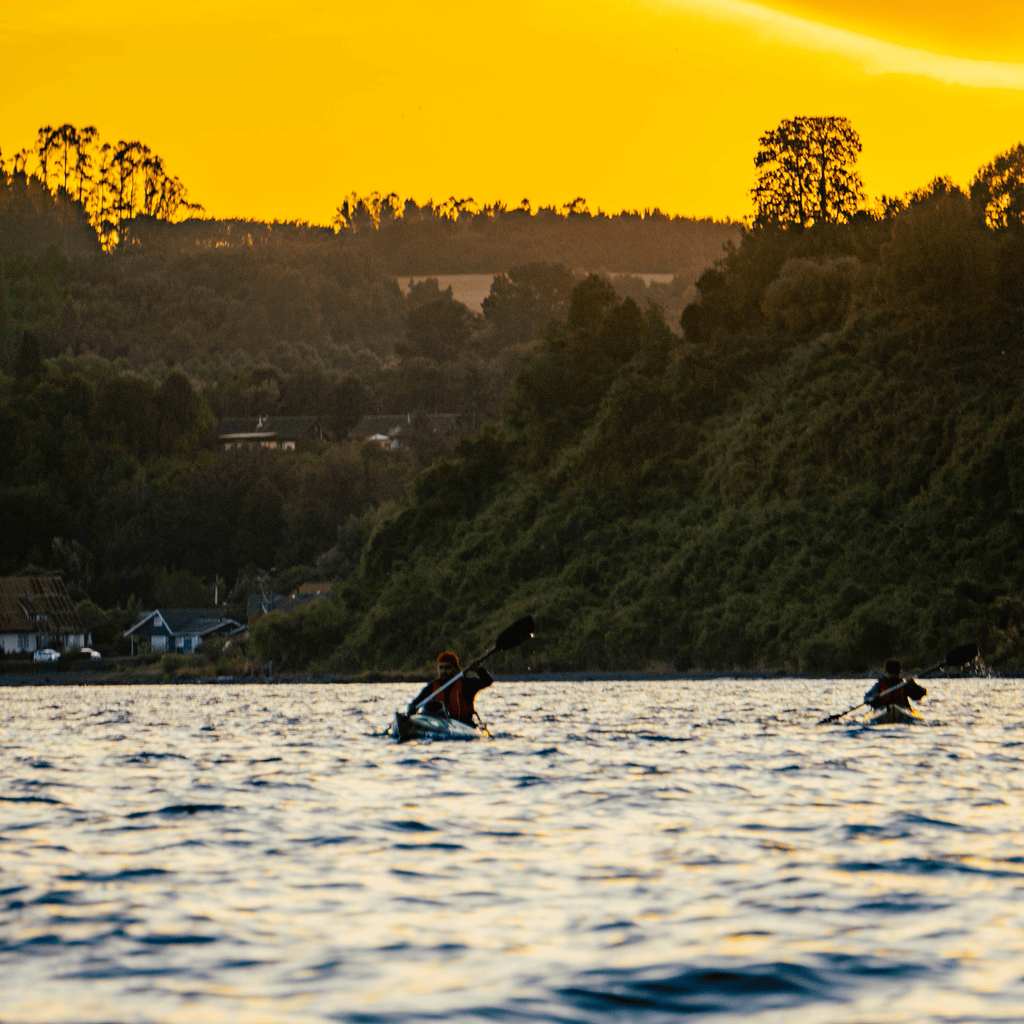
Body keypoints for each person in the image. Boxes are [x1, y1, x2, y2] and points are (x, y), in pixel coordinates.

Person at [407, 651, 493, 726]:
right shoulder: (431, 687)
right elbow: (414, 704)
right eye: (441, 668)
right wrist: (411, 710)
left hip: (463, 724)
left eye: (448, 667)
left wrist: (479, 669)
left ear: (456, 669)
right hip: (437, 724)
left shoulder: (467, 684)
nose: (443, 671)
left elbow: (487, 681)